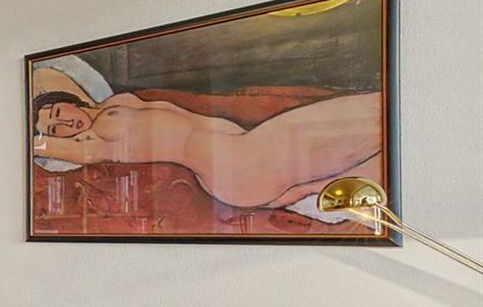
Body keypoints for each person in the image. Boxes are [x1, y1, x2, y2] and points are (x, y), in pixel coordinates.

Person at [30, 66, 383, 211]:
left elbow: (46, 74)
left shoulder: (112, 105)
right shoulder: (96, 142)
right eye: (56, 129)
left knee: (368, 164)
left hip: (241, 162)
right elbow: (33, 144)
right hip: (239, 165)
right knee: (368, 117)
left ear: (68, 101)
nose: (64, 123)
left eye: (58, 112)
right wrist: (42, 136)